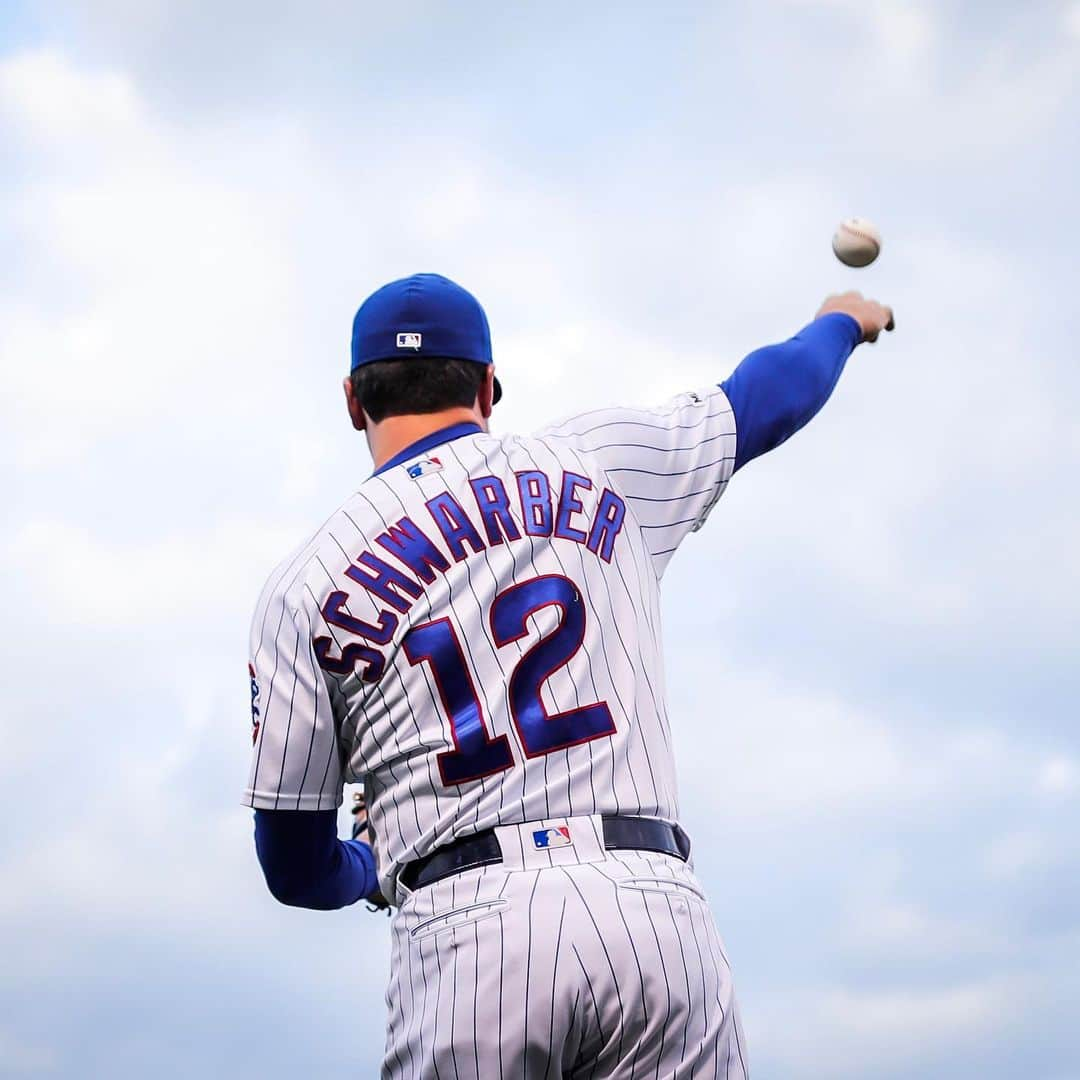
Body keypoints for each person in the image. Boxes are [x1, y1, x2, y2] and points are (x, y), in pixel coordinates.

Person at [244, 272, 893, 1077]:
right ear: (488, 385)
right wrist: (841, 321)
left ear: (352, 401)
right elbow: (770, 393)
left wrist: (367, 864)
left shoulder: (304, 584)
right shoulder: (599, 457)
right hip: (651, 909)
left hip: (469, 937)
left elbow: (294, 868)